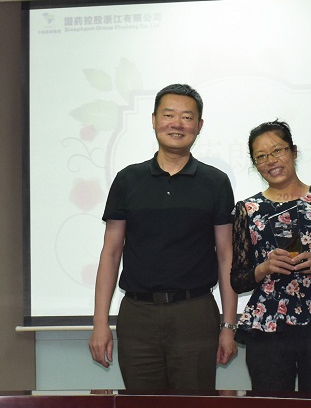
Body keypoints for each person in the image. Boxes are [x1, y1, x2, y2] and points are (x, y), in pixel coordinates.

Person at [89, 83, 238, 391]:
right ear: (154, 120)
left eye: (187, 117)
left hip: (195, 314)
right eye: (169, 115)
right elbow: (111, 253)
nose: (177, 123)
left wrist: (228, 326)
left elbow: (226, 256)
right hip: (138, 315)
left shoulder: (215, 182)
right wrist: (100, 323)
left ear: (199, 125)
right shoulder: (128, 179)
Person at [230, 120, 311, 394]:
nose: (270, 161)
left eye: (277, 150)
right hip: (268, 324)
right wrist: (265, 267)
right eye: (261, 156)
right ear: (254, 163)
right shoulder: (248, 210)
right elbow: (238, 280)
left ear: (294, 151)